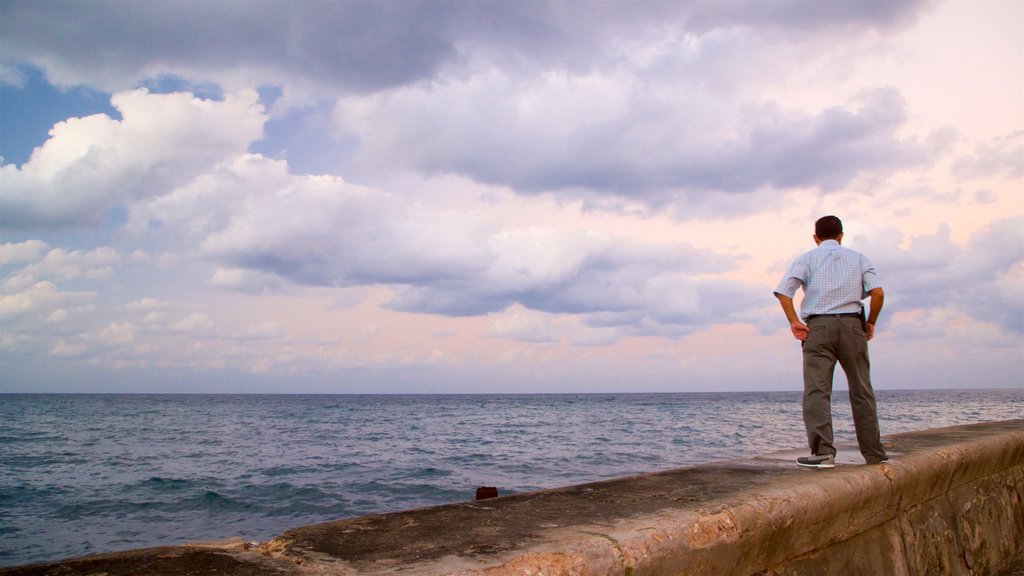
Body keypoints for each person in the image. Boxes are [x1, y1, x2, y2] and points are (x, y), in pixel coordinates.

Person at [773, 215, 888, 469]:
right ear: (841, 236)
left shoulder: (806, 259)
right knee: (861, 390)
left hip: (819, 327)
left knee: (817, 391)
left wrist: (794, 321)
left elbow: (783, 292)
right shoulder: (858, 258)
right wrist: (870, 322)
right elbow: (877, 293)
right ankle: (873, 453)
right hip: (852, 325)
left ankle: (823, 453)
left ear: (816, 238)